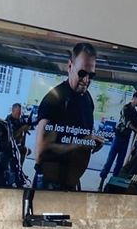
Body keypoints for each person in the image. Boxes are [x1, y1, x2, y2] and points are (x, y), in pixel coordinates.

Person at [34, 42, 104, 190]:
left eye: (91, 75)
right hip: (50, 187)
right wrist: (81, 144)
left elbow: (81, 135)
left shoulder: (87, 98)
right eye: (82, 73)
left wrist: (92, 142)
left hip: (70, 185)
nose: (86, 80)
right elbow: (41, 152)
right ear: (70, 67)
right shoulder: (55, 99)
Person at [99, 91, 137, 189]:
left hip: (126, 139)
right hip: (118, 137)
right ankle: (101, 182)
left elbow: (135, 124)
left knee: (119, 163)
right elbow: (127, 123)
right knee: (110, 160)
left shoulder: (135, 112)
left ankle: (112, 184)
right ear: (133, 98)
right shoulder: (125, 108)